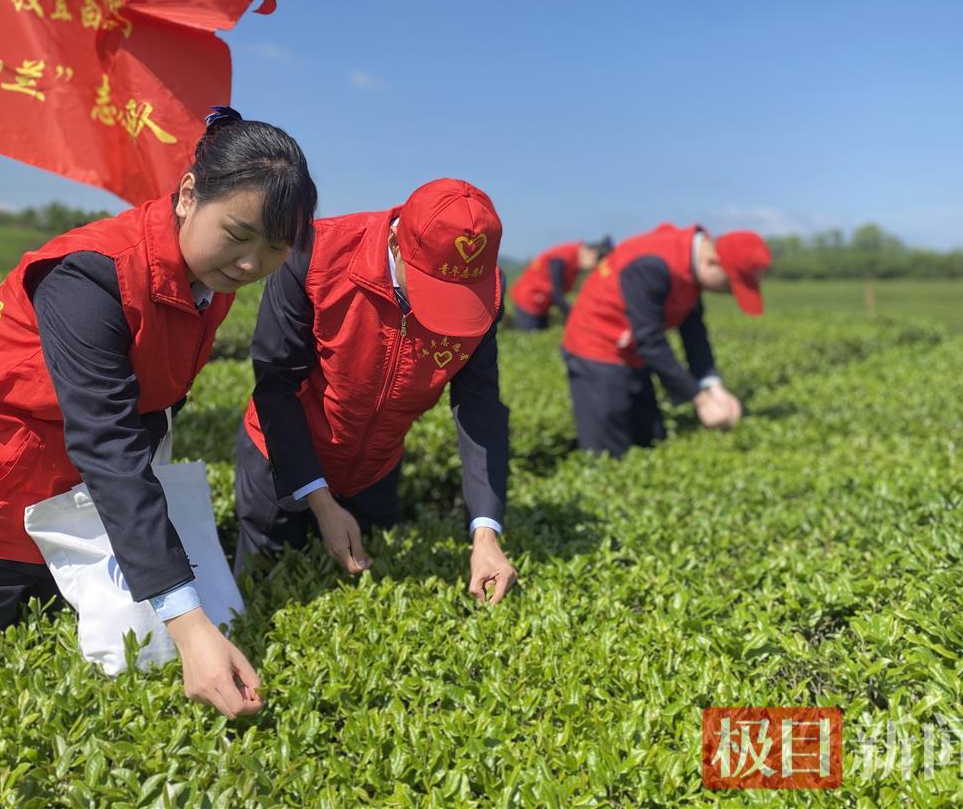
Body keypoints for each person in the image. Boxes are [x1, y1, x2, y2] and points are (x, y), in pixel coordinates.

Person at [0, 107, 317, 719]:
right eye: (239, 234)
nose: (251, 264)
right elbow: (109, 446)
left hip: (76, 521)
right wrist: (189, 626)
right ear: (190, 194)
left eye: (274, 249)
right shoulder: (92, 276)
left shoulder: (207, 279)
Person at [234, 179, 519, 604]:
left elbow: (479, 407)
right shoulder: (315, 255)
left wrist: (485, 533)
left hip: (376, 468)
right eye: (433, 287)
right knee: (263, 593)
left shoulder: (484, 294)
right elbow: (277, 386)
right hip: (282, 456)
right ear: (396, 242)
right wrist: (321, 502)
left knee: (369, 591)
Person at [560, 223, 770, 458]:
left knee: (650, 439)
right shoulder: (653, 265)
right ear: (711, 262)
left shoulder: (693, 264)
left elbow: (694, 333)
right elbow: (650, 341)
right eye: (731, 285)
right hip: (596, 349)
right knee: (609, 450)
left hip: (633, 351)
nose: (730, 293)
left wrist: (714, 387)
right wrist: (700, 400)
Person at [509, 236, 613, 330]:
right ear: (592, 254)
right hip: (529, 300)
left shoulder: (575, 259)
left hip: (543, 303)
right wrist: (576, 316)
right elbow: (557, 294)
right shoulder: (563, 257)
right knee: (531, 335)